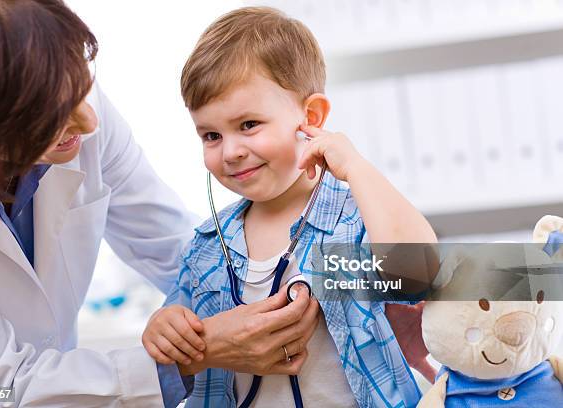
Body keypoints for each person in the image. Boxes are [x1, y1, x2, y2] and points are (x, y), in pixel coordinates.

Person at [0, 1, 322, 406]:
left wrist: (366, 185)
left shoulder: (344, 217)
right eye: (211, 135)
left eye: (249, 125)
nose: (89, 122)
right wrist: (180, 345)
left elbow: (180, 252)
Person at [143, 6, 439, 408]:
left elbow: (418, 274)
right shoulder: (208, 245)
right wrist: (163, 327)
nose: (230, 152)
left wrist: (356, 168)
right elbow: (179, 327)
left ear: (310, 117)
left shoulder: (357, 217)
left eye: (248, 125)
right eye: (211, 135)